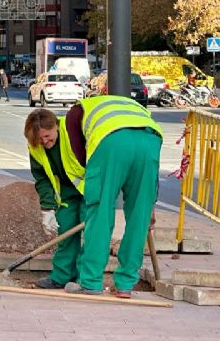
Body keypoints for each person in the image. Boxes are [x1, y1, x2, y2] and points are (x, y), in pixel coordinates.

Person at [61, 95, 162, 298]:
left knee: (100, 214)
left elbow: (80, 155)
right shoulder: (128, 105)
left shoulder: (75, 112)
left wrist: (93, 188)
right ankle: (125, 285)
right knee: (139, 218)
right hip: (151, 140)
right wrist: (150, 205)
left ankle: (90, 282)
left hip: (111, 142)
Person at [24, 109, 87, 290]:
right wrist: (47, 209)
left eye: (47, 136)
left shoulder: (73, 132)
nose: (44, 142)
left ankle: (85, 280)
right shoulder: (35, 146)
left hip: (89, 189)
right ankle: (61, 276)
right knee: (65, 233)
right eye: (39, 139)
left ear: (56, 127)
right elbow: (42, 178)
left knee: (91, 234)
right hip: (67, 194)